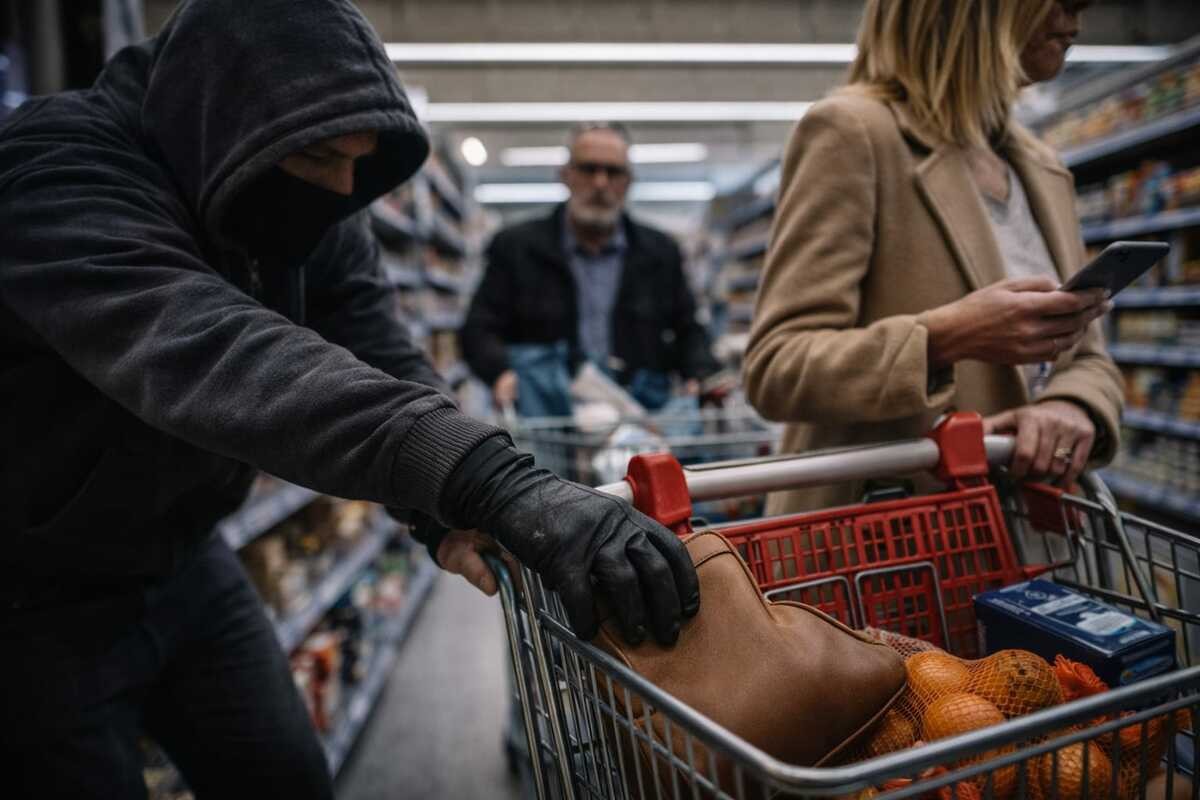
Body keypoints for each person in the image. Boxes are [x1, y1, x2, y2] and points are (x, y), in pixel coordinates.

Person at [0, 1, 698, 796]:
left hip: (186, 561)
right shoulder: (52, 172)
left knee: (288, 776)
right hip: (31, 598)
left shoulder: (306, 186)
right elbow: (221, 354)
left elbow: (383, 349)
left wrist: (442, 512)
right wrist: (489, 480)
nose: (344, 187)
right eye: (327, 155)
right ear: (222, 124)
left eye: (358, 161)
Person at [744, 0, 1123, 513]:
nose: (1078, 7)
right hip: (884, 547)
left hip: (1022, 537)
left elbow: (1089, 356)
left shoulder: (1043, 167)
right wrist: (946, 337)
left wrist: (1070, 404)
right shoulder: (853, 132)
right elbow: (777, 367)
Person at [461, 122, 722, 416]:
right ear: (565, 176)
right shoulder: (516, 247)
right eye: (589, 169)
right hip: (550, 419)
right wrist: (500, 372)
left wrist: (699, 374)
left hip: (639, 416)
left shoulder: (660, 252)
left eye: (613, 172)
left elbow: (688, 328)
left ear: (628, 182)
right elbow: (478, 329)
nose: (600, 183)